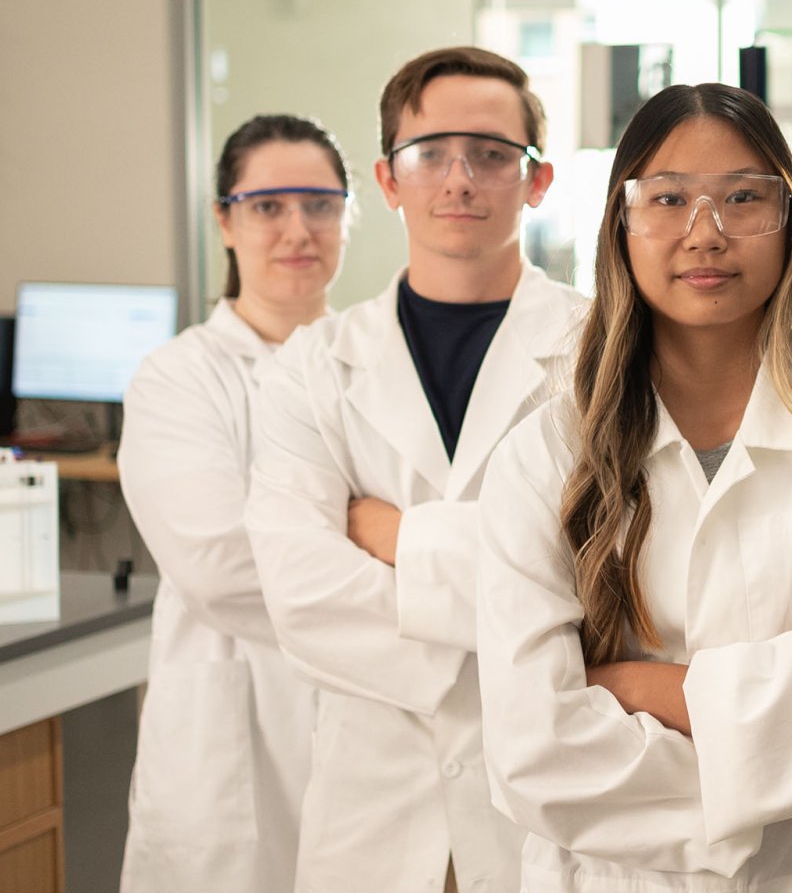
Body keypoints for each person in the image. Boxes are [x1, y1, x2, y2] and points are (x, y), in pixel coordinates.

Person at [471, 82, 792, 892]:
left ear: (790, 221)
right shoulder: (544, 453)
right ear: (620, 224)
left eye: (743, 198)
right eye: (667, 199)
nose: (707, 233)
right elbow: (532, 752)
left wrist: (633, 687)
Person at [245, 46, 586, 893]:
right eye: (429, 153)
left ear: (537, 181)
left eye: (492, 154)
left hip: (546, 810)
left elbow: (610, 570)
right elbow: (303, 596)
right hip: (373, 813)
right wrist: (522, 626)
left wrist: (393, 536)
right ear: (388, 181)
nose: (459, 179)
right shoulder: (312, 367)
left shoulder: (605, 356)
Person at [118, 114, 350, 892]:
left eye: (320, 203)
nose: (298, 230)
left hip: (370, 735)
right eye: (268, 206)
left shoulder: (379, 369)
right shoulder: (179, 378)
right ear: (224, 219)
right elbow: (218, 566)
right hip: (230, 739)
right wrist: (390, 565)